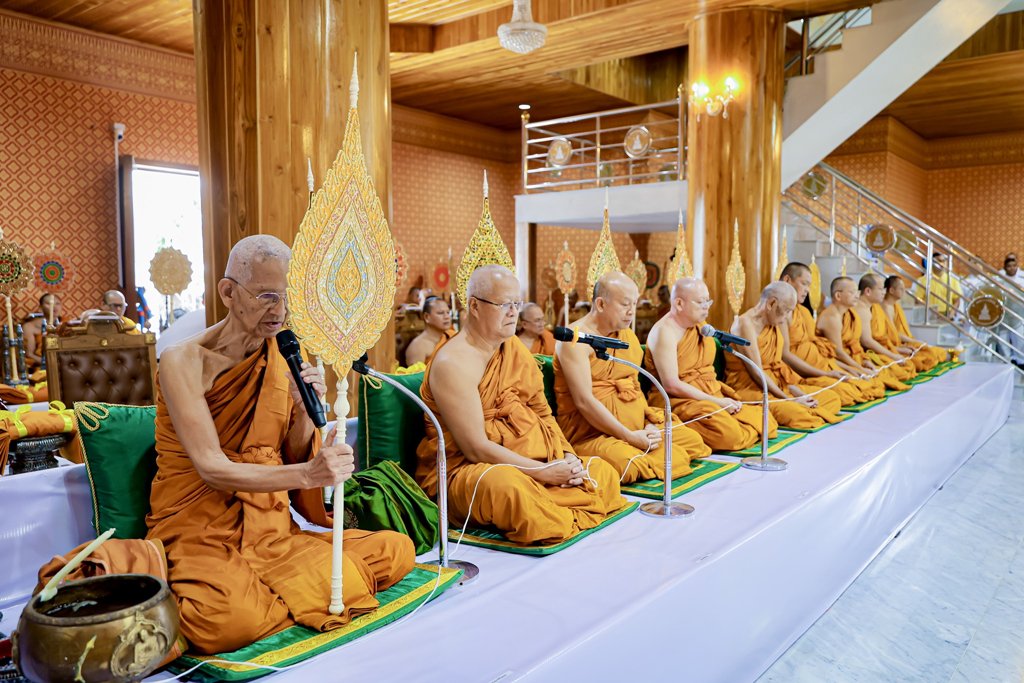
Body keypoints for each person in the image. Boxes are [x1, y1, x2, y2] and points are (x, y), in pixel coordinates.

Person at [149, 235, 414, 654]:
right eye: (267, 297)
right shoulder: (183, 361)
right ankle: (273, 594)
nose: (280, 311)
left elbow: (289, 453)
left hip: (271, 527)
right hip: (201, 526)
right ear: (228, 292)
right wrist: (309, 474)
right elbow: (212, 468)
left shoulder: (284, 353)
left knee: (396, 549)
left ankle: (268, 593)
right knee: (226, 623)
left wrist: (304, 411)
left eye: (288, 298)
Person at [416, 265, 628, 545]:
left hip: (534, 458)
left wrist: (567, 456)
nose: (513, 312)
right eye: (504, 304)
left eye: (517, 304)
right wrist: (542, 472)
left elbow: (542, 411)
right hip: (475, 470)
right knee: (510, 490)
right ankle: (554, 506)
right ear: (474, 306)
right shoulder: (453, 363)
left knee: (603, 472)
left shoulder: (513, 348)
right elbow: (475, 447)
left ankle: (556, 501)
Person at [554, 272, 709, 483]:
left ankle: (648, 453)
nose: (631, 312)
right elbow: (584, 401)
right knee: (630, 463)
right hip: (593, 433)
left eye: (634, 304)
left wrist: (648, 424)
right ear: (600, 304)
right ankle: (644, 455)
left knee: (692, 441)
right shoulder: (575, 340)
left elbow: (634, 387)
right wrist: (629, 436)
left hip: (636, 426)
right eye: (625, 304)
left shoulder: (626, 336)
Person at [643, 278, 777, 452]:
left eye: (708, 301)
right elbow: (672, 385)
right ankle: (738, 432)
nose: (706, 307)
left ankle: (740, 430)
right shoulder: (665, 332)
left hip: (709, 392)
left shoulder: (701, 327)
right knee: (730, 436)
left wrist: (719, 400)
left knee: (766, 420)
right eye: (700, 302)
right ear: (679, 303)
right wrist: (718, 402)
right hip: (680, 400)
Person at [724, 282, 845, 429]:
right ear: (771, 303)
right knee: (799, 414)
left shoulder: (771, 323)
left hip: (777, 385)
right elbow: (757, 372)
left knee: (832, 398)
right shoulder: (746, 324)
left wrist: (797, 393)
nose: (787, 317)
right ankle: (800, 411)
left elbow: (778, 368)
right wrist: (789, 399)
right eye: (787, 311)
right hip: (751, 388)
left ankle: (802, 409)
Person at [778, 262, 885, 404]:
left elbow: (821, 352)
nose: (807, 290)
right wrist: (827, 373)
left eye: (809, 285)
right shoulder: (779, 313)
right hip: (802, 372)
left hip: (822, 365)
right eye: (804, 284)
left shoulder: (803, 312)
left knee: (869, 384)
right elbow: (785, 355)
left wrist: (850, 368)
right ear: (787, 280)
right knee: (847, 393)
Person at [817, 277, 909, 391]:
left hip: (852, 358)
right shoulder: (832, 317)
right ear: (838, 296)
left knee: (884, 376)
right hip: (834, 362)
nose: (856, 296)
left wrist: (864, 361)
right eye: (852, 292)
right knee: (861, 387)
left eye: (857, 292)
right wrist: (859, 368)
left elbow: (854, 344)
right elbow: (838, 353)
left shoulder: (849, 314)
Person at [855, 274, 918, 381]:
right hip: (859, 354)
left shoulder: (872, 308)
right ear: (868, 291)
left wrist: (896, 350)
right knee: (900, 370)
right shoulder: (862, 310)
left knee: (906, 365)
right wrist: (893, 355)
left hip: (869, 350)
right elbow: (867, 341)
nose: (884, 292)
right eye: (880, 289)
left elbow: (878, 338)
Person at [880, 276, 947, 372]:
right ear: (891, 290)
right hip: (893, 345)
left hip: (902, 342)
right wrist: (912, 341)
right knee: (926, 356)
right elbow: (892, 334)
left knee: (936, 352)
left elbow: (896, 332)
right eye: (901, 289)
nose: (904, 291)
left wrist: (913, 341)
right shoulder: (885, 307)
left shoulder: (895, 306)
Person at [404, 296, 453, 367]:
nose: (447, 317)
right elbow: (417, 374)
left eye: (448, 312)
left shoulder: (452, 335)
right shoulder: (418, 346)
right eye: (440, 313)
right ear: (427, 317)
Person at [996, 254, 1024, 368]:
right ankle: (1006, 361)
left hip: (1019, 314)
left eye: (1014, 265)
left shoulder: (1022, 280)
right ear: (1005, 267)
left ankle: (1020, 362)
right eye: (1009, 266)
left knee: (1019, 339)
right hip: (1004, 314)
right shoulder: (999, 280)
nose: (1012, 268)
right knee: (1003, 339)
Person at [914, 254, 961, 318]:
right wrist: (928, 313)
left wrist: (950, 315)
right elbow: (918, 300)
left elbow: (957, 300)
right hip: (928, 315)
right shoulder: (923, 280)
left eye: (944, 261)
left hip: (947, 315)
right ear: (931, 262)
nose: (942, 264)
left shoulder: (953, 280)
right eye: (938, 261)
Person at [22, 293, 62, 369]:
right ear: (40, 308)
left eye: (57, 303)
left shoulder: (65, 324)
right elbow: (29, 355)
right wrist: (53, 364)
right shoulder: (29, 326)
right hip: (41, 366)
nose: (54, 306)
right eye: (49, 304)